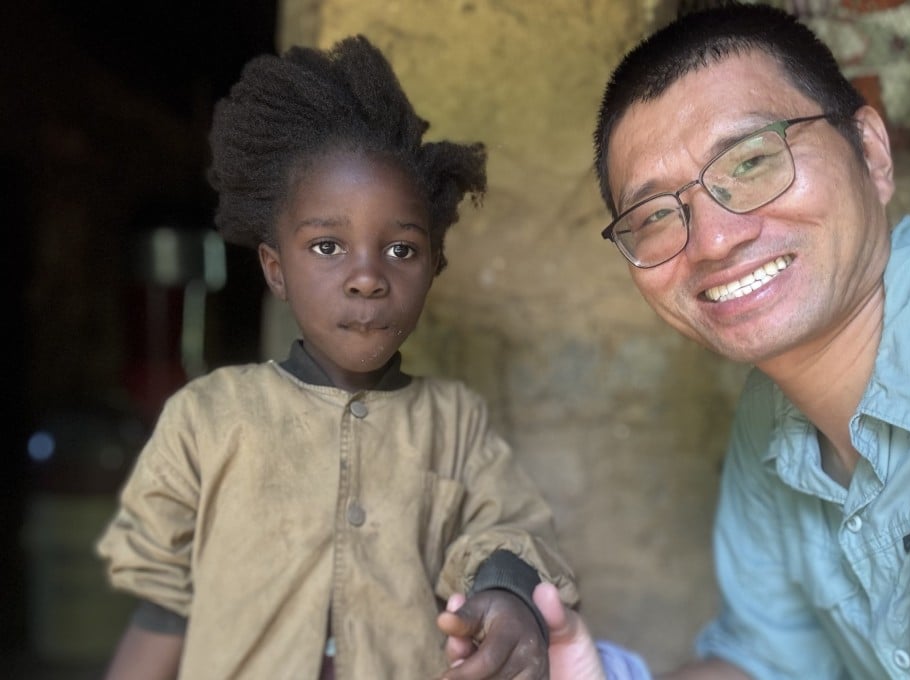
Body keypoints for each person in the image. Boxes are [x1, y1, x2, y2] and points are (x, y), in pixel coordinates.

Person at [479, 2, 910, 679]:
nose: (713, 240)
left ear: (872, 153)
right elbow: (769, 664)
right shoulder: (768, 434)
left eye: (754, 160)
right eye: (654, 216)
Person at [95, 35, 578, 680]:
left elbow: (508, 528)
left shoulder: (455, 423)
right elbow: (163, 613)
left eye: (401, 250)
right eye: (327, 247)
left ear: (433, 265)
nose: (367, 278)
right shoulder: (207, 419)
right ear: (275, 269)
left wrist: (505, 591)